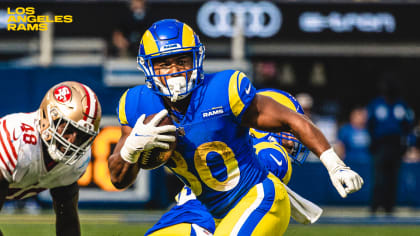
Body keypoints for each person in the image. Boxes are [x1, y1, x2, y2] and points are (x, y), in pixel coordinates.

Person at [108, 19, 363, 235]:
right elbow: (118, 180)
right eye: (164, 63)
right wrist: (130, 150)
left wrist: (334, 163)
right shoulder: (136, 104)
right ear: (148, 67)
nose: (174, 71)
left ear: (197, 59)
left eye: (182, 61)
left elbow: (291, 120)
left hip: (255, 197)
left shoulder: (223, 90)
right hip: (200, 206)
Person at [144, 88, 315, 236]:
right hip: (206, 225)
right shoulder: (270, 151)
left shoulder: (220, 145)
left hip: (174, 222)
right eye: (287, 128)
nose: (292, 141)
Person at [0, 81, 102, 236]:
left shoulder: (75, 163)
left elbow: (67, 223)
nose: (71, 141)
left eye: (81, 136)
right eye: (68, 128)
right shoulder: (17, 142)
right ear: (47, 117)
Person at [367, 76, 414, 215]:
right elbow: (370, 125)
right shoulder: (376, 105)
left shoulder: (401, 106)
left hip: (396, 145)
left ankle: (389, 207)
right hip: (380, 145)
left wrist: (406, 144)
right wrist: (373, 142)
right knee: (378, 178)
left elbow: (408, 126)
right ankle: (375, 206)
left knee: (392, 177)